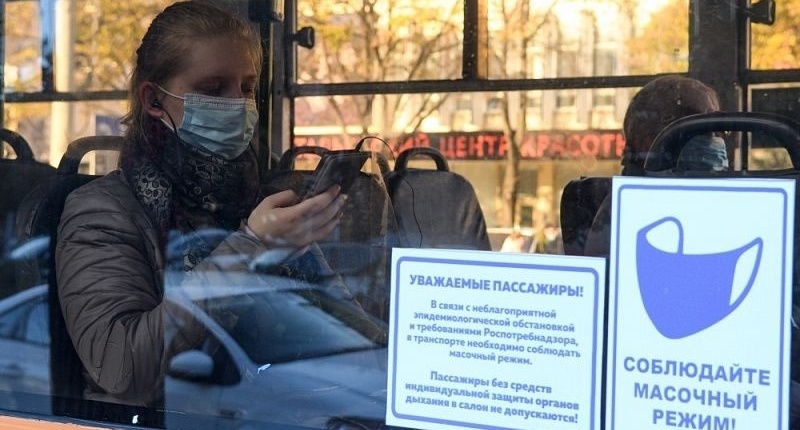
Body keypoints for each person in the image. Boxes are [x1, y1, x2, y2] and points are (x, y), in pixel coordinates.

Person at [53, 1, 347, 423]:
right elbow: (124, 372)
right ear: (154, 99)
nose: (238, 104)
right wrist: (251, 248)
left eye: (247, 88)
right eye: (213, 89)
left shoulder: (257, 200)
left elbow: (346, 331)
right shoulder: (102, 211)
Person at [582, 75, 728, 257]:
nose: (713, 137)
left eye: (717, 127)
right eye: (694, 125)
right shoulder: (624, 211)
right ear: (646, 138)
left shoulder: (719, 206)